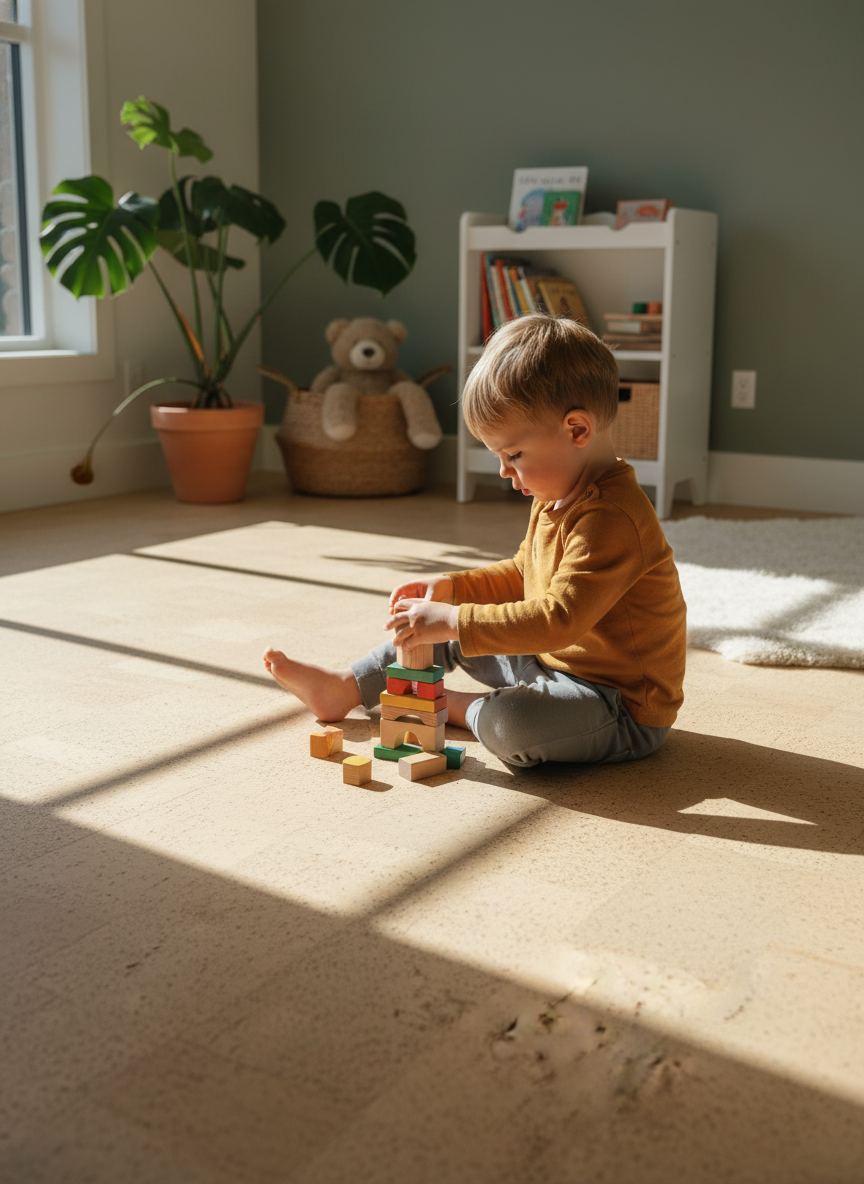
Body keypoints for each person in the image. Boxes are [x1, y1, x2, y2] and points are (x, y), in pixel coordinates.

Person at [263, 314, 686, 768]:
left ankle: (447, 703)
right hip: (548, 662)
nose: (504, 471)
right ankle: (346, 686)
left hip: (619, 706)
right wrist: (453, 589)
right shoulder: (557, 491)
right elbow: (525, 573)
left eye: (514, 454)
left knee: (511, 724)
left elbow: (559, 619)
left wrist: (455, 619)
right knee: (450, 631)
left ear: (577, 430)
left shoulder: (613, 517)